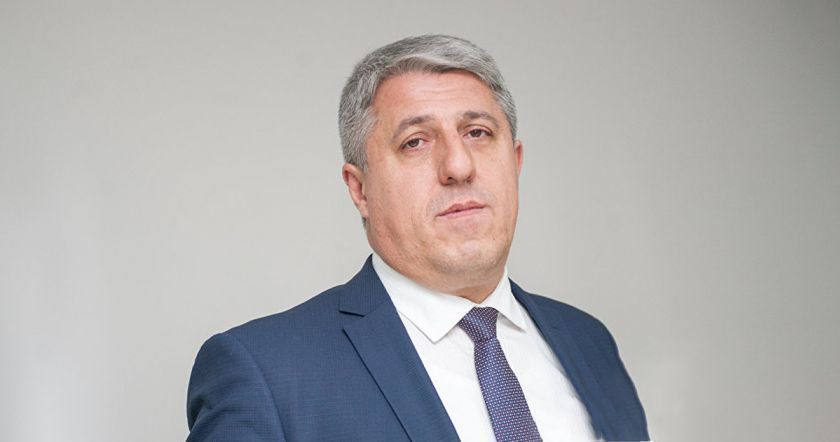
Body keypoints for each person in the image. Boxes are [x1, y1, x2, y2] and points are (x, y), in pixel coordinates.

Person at [186, 34, 649, 441]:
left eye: (478, 133)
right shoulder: (268, 373)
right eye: (415, 141)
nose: (458, 166)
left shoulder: (589, 341)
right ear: (360, 189)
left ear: (516, 162)